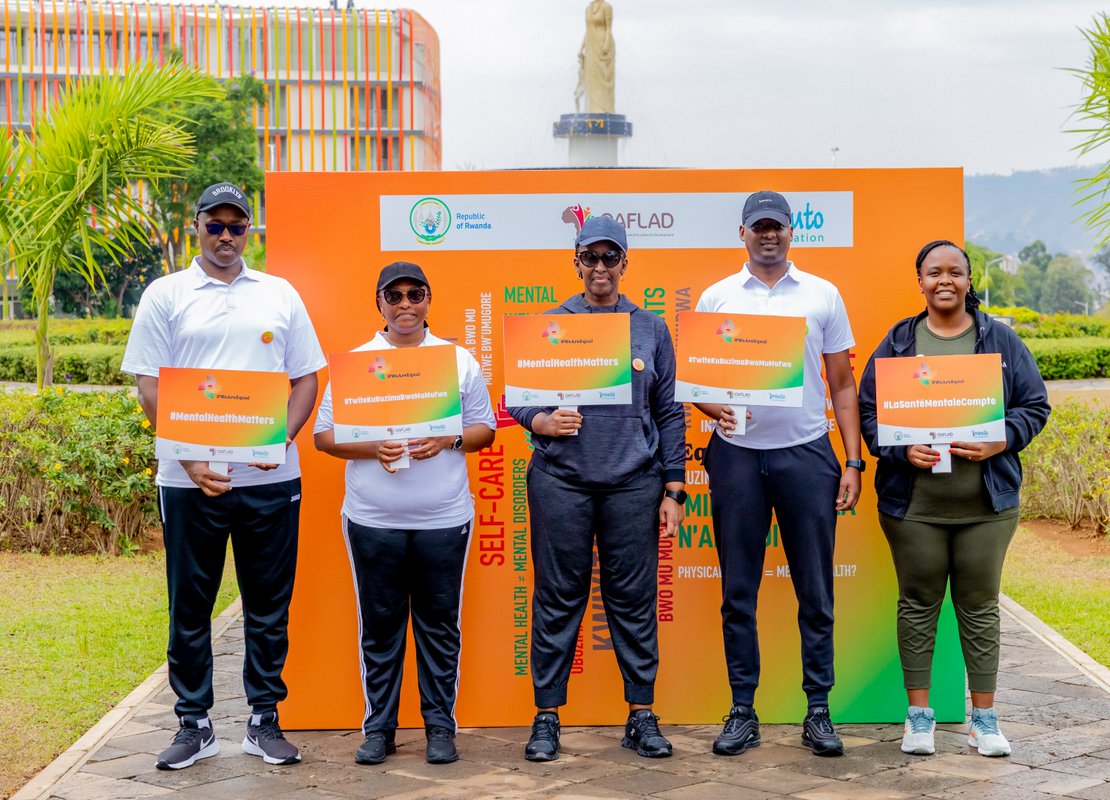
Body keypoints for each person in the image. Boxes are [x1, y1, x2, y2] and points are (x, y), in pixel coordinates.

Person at [121, 182, 325, 770]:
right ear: (197, 227)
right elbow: (150, 385)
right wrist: (188, 458)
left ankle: (264, 720)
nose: (227, 237)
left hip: (269, 479)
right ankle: (194, 722)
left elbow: (307, 377)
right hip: (187, 480)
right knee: (191, 603)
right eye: (216, 225)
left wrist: (278, 441)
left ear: (250, 231)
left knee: (268, 603)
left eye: (238, 226)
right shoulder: (166, 294)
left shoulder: (278, 293)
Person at [857, 240, 1050, 757]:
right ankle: (918, 718)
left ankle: (983, 720)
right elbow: (868, 413)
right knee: (917, 604)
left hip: (987, 506)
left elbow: (1035, 405)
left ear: (969, 280)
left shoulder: (1000, 341)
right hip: (913, 508)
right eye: (933, 272)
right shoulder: (899, 342)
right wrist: (900, 448)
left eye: (955, 272)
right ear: (919, 281)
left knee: (980, 606)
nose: (945, 280)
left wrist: (1002, 437)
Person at [508, 216, 686, 762]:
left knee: (633, 601)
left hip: (635, 483)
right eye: (592, 257)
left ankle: (640, 715)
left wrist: (674, 489)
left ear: (625, 263)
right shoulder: (552, 323)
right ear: (576, 261)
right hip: (562, 480)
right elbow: (517, 399)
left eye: (612, 258)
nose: (601, 267)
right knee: (557, 599)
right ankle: (546, 717)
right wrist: (540, 421)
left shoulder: (651, 328)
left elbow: (670, 411)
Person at [693, 190, 863, 758]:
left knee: (815, 591)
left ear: (793, 233)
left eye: (779, 227)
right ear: (742, 232)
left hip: (806, 454)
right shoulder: (717, 297)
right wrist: (707, 408)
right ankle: (743, 710)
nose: (769, 235)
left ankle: (819, 710)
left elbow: (842, 384)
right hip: (736, 456)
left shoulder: (823, 295)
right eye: (759, 226)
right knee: (737, 590)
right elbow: (697, 385)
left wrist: (853, 459)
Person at [313, 262, 496, 766]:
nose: (405, 305)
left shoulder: (457, 360)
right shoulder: (355, 364)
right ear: (380, 304)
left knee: (439, 625)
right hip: (373, 519)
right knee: (380, 625)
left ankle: (440, 727)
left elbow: (485, 429)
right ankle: (380, 729)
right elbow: (323, 436)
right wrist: (373, 448)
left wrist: (449, 438)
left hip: (443, 518)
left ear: (429, 300)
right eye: (394, 296)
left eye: (415, 294)